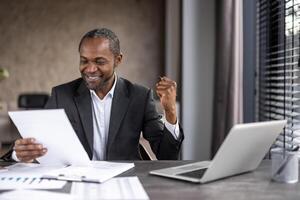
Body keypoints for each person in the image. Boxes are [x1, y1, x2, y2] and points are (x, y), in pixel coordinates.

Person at [10, 28, 184, 162]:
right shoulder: (61, 95)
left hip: (125, 180)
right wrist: (20, 154)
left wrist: (170, 112)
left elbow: (167, 155)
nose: (90, 69)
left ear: (118, 60)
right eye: (84, 61)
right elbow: (33, 143)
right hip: (77, 181)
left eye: (99, 61)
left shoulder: (140, 96)